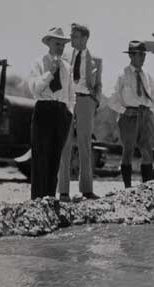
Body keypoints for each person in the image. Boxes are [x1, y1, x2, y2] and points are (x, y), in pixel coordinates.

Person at [27, 27, 74, 200]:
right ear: (48, 43)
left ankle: (49, 199)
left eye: (62, 44)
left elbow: (71, 93)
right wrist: (50, 74)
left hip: (61, 112)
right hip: (44, 109)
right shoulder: (39, 63)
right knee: (41, 156)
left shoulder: (67, 67)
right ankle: (37, 201)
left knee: (55, 157)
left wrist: (70, 112)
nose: (60, 47)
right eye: (57, 43)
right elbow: (34, 89)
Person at [57, 23, 101, 200]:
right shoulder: (65, 56)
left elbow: (98, 85)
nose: (71, 39)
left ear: (84, 38)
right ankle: (64, 191)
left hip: (85, 101)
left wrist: (94, 102)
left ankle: (87, 189)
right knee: (65, 144)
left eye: (74, 36)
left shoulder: (96, 60)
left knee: (85, 144)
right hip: (68, 100)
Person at [108, 41, 154, 188]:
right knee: (128, 150)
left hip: (145, 115)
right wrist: (125, 111)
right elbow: (112, 99)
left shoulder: (147, 76)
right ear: (131, 56)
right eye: (139, 54)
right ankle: (127, 187)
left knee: (148, 150)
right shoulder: (122, 75)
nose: (143, 58)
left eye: (144, 54)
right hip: (128, 116)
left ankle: (147, 187)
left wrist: (151, 110)